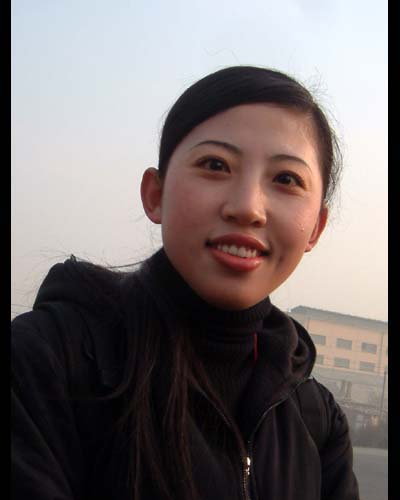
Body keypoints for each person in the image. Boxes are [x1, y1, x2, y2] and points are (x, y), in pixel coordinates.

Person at [11, 65, 360, 500]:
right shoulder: (45, 361)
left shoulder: (316, 420)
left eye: (286, 179)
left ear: (316, 229)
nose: (247, 208)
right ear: (155, 195)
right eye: (215, 165)